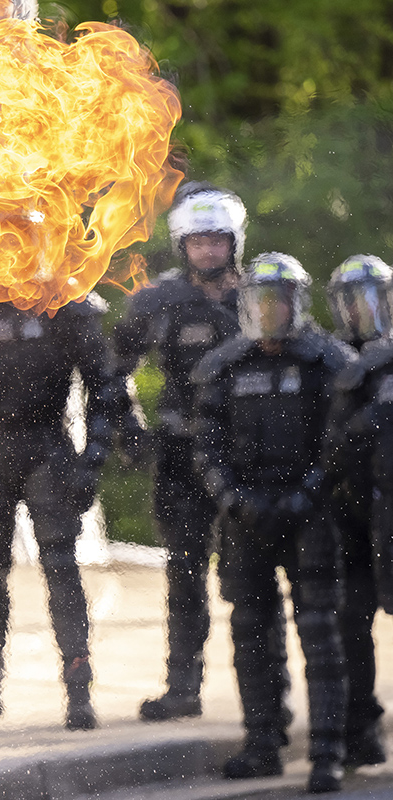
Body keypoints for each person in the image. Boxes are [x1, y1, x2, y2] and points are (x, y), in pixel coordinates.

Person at [0, 292, 131, 730]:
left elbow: (104, 386)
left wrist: (91, 462)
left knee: (61, 569)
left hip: (48, 451)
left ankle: (79, 691)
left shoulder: (67, 308)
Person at [192, 253, 352, 793]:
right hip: (245, 517)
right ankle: (262, 741)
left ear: (296, 303)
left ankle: (329, 749)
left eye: (277, 301)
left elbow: (341, 442)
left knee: (320, 631)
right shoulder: (225, 365)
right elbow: (206, 444)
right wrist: (231, 497)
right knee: (250, 631)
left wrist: (309, 493)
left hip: (310, 516)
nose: (268, 311)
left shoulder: (327, 361)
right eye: (258, 302)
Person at [112, 182, 247, 721]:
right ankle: (183, 687)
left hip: (248, 458)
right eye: (198, 241)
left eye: (218, 240)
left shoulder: (265, 295)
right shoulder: (158, 300)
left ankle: (260, 693)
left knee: (248, 575)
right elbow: (111, 372)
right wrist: (129, 430)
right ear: (180, 244)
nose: (208, 250)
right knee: (185, 571)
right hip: (181, 456)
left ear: (235, 241)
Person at [323, 254, 393, 767]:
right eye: (353, 301)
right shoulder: (325, 359)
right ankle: (358, 727)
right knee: (350, 622)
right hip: (348, 515)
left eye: (375, 299)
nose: (363, 312)